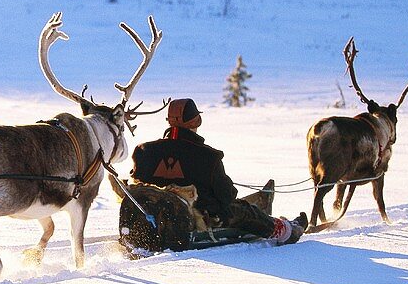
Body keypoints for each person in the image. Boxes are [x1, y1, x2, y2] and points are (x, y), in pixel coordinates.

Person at [130, 98, 306, 245]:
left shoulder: (143, 151)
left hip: (151, 214)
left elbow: (138, 184)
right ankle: (286, 231)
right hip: (197, 219)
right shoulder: (208, 156)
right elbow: (226, 196)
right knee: (243, 210)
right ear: (196, 122)